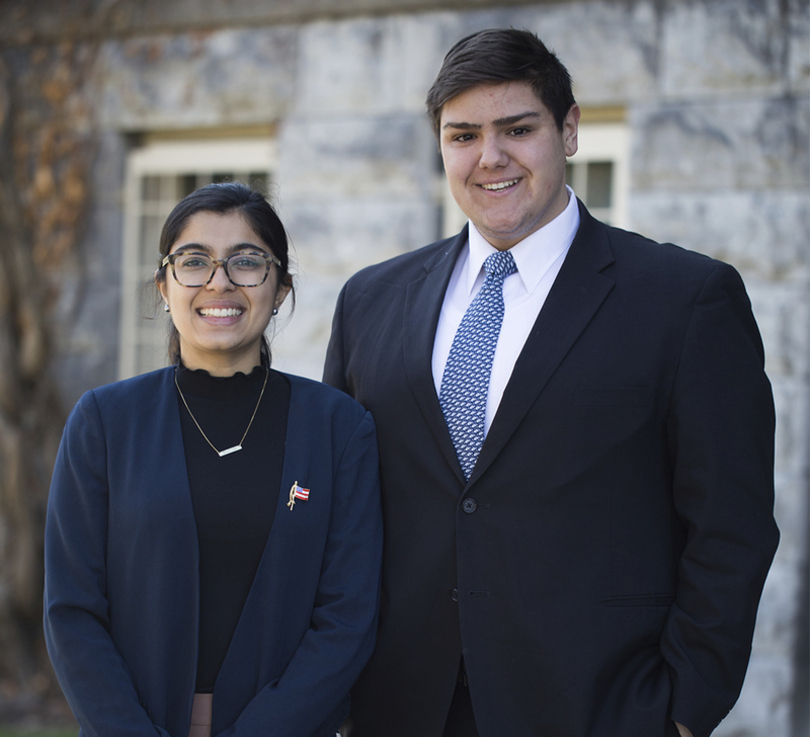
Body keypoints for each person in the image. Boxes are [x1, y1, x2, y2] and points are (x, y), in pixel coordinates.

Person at [324, 28, 779, 737]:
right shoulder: (369, 301)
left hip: (595, 706)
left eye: (517, 128)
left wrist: (682, 713)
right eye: (463, 134)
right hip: (399, 707)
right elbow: (341, 520)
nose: (490, 157)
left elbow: (731, 527)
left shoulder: (685, 300)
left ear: (568, 130)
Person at [44, 182, 383, 737]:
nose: (219, 281)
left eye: (247, 262)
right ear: (164, 286)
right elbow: (72, 610)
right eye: (193, 261)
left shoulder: (339, 428)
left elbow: (348, 617)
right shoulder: (104, 421)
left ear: (280, 288)